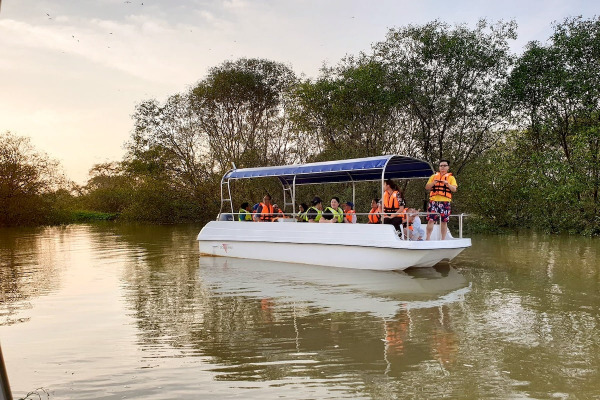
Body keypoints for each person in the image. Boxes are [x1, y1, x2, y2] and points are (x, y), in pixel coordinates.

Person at [425, 159, 457, 240]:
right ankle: (428, 238)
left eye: (444, 166)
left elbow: (454, 189)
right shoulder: (433, 177)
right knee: (431, 220)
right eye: (441, 166)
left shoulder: (451, 178)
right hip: (434, 201)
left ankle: (443, 239)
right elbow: (427, 187)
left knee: (444, 221)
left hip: (445, 202)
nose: (442, 167)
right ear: (439, 167)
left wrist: (447, 184)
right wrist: (433, 183)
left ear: (448, 167)